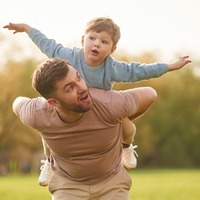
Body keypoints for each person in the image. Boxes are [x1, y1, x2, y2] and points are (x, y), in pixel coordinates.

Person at [3, 17, 191, 186]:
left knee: (129, 129)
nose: (96, 44)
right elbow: (47, 44)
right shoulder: (68, 56)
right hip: (70, 107)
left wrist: (169, 66)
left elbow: (139, 70)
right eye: (92, 38)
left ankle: (125, 147)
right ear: (83, 40)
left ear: (112, 49)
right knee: (47, 135)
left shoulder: (113, 68)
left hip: (100, 110)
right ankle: (50, 162)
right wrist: (27, 28)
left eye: (104, 42)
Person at [13, 57, 158, 200]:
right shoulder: (36, 113)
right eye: (70, 88)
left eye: (78, 78)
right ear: (53, 102)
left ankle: (126, 146)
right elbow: (17, 103)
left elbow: (150, 94)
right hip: (67, 185)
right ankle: (50, 161)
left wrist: (117, 122)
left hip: (112, 181)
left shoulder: (108, 104)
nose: (82, 88)